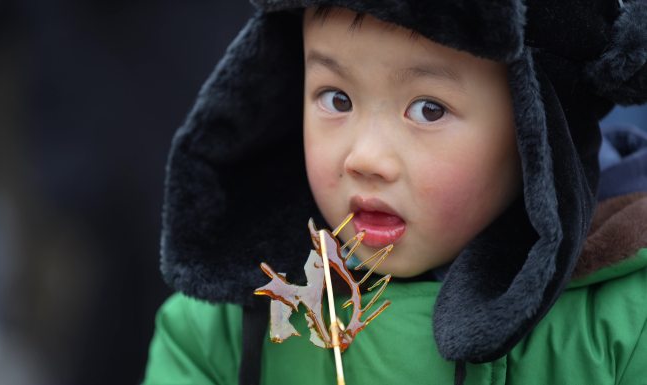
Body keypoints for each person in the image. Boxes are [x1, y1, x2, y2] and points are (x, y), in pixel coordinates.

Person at [143, 1, 647, 384]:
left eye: (429, 109)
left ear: (535, 131)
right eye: (336, 98)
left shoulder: (621, 328)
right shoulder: (232, 317)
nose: (364, 158)